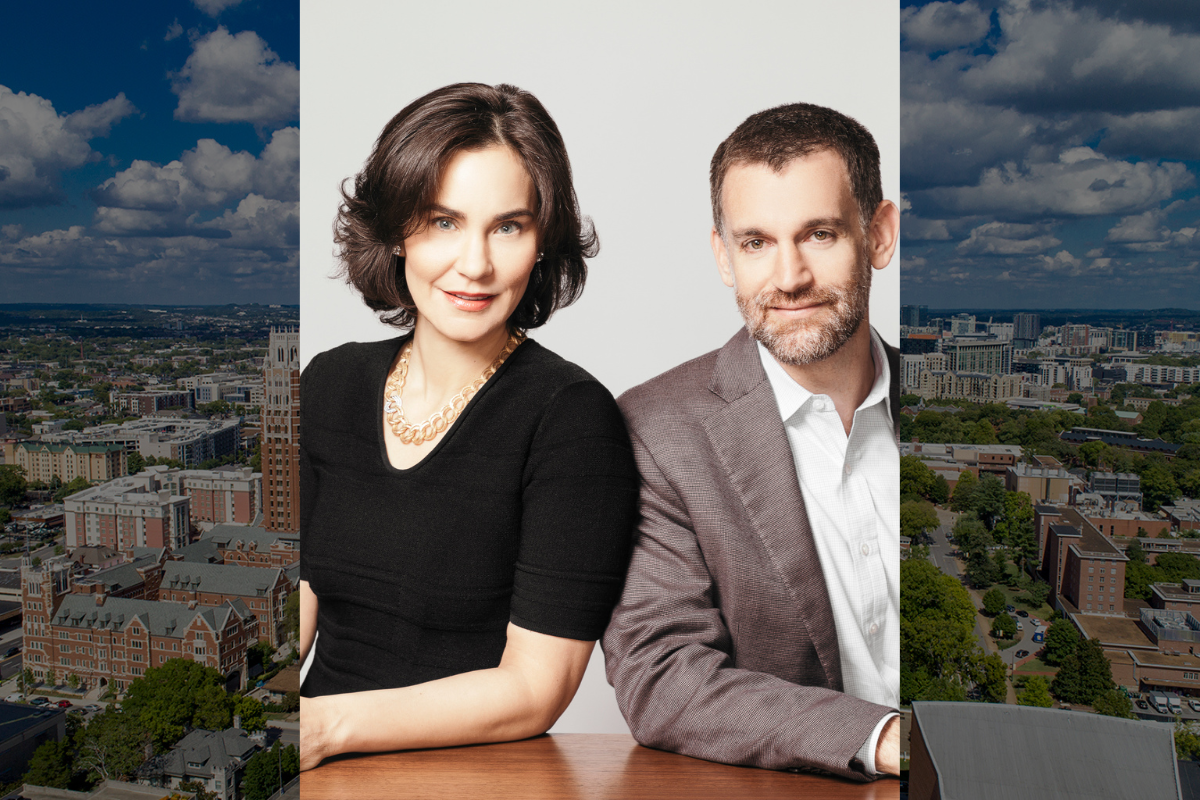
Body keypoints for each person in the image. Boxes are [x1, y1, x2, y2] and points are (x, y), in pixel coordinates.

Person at [299, 83, 639, 771]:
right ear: (397, 230)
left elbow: (534, 690)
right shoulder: (329, 384)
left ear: (543, 241)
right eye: (442, 221)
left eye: (508, 226)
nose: (476, 264)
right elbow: (298, 602)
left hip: (462, 776)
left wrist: (326, 728)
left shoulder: (573, 419)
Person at [602, 102, 901, 781]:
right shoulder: (656, 432)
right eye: (756, 243)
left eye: (819, 235)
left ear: (879, 234)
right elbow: (662, 674)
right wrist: (886, 738)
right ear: (723, 256)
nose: (788, 277)